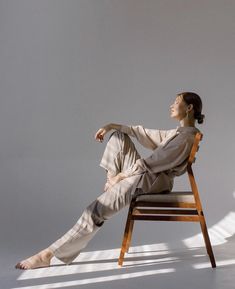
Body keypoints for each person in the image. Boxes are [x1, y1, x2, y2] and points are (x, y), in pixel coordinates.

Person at [15, 91, 205, 269]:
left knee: (95, 210)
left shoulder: (186, 138)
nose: (171, 105)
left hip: (151, 182)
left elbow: (152, 163)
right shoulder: (177, 133)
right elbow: (143, 133)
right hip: (146, 175)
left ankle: (48, 255)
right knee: (119, 137)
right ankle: (111, 184)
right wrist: (111, 126)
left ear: (189, 108)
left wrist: (121, 177)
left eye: (176, 102)